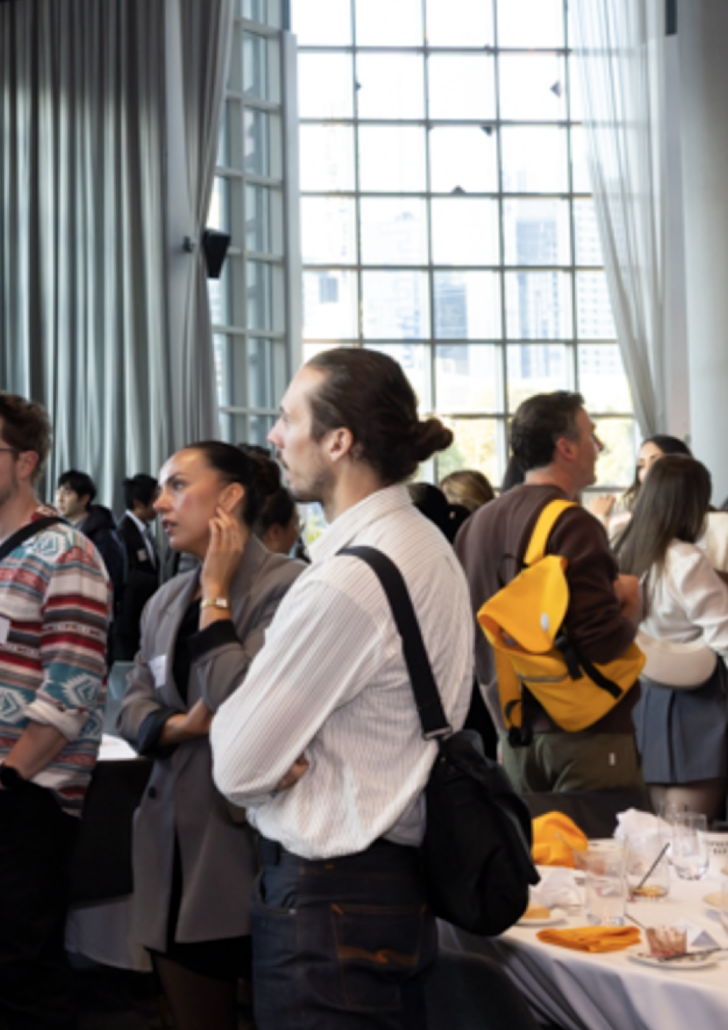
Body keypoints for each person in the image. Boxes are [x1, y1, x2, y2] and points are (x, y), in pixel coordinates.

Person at [210, 348, 476, 1029]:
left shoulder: (344, 581)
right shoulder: (422, 541)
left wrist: (273, 763)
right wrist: (280, 758)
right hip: (392, 884)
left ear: (339, 440)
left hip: (331, 897)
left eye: (286, 417)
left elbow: (237, 763)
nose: (274, 436)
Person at [116, 443, 304, 1030]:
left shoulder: (289, 587)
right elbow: (129, 707)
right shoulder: (167, 598)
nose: (160, 503)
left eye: (178, 486)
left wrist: (219, 589)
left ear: (229, 498)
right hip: (169, 839)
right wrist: (183, 726)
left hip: (245, 847)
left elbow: (247, 705)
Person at [0, 389, 110, 1030]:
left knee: (22, 977)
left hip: (24, 796)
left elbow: (71, 690)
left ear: (27, 462)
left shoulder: (68, 555)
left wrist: (4, 779)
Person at [453, 391, 645, 795]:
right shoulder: (572, 523)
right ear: (566, 447)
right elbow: (599, 642)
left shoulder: (475, 526)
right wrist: (631, 604)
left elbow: (472, 637)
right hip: (586, 734)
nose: (600, 447)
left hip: (513, 731)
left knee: (537, 856)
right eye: (592, 436)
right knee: (601, 854)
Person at [611, 454, 728, 819]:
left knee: (655, 835)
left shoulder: (621, 548)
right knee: (689, 840)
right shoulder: (685, 560)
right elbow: (726, 637)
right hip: (696, 704)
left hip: (640, 698)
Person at [110, 473, 163, 663]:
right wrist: (164, 582)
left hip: (146, 617)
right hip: (129, 622)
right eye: (156, 498)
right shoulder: (122, 532)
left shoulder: (146, 531)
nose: (161, 504)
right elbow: (128, 575)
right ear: (139, 503)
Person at [594, 434, 691, 533]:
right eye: (641, 465)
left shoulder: (701, 520)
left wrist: (599, 519)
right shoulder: (629, 517)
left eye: (655, 463)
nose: (646, 472)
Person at [55, 468, 127, 602]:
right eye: (58, 492)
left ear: (84, 499)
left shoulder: (103, 536)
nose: (59, 499)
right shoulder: (58, 529)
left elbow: (112, 582)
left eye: (67, 493)